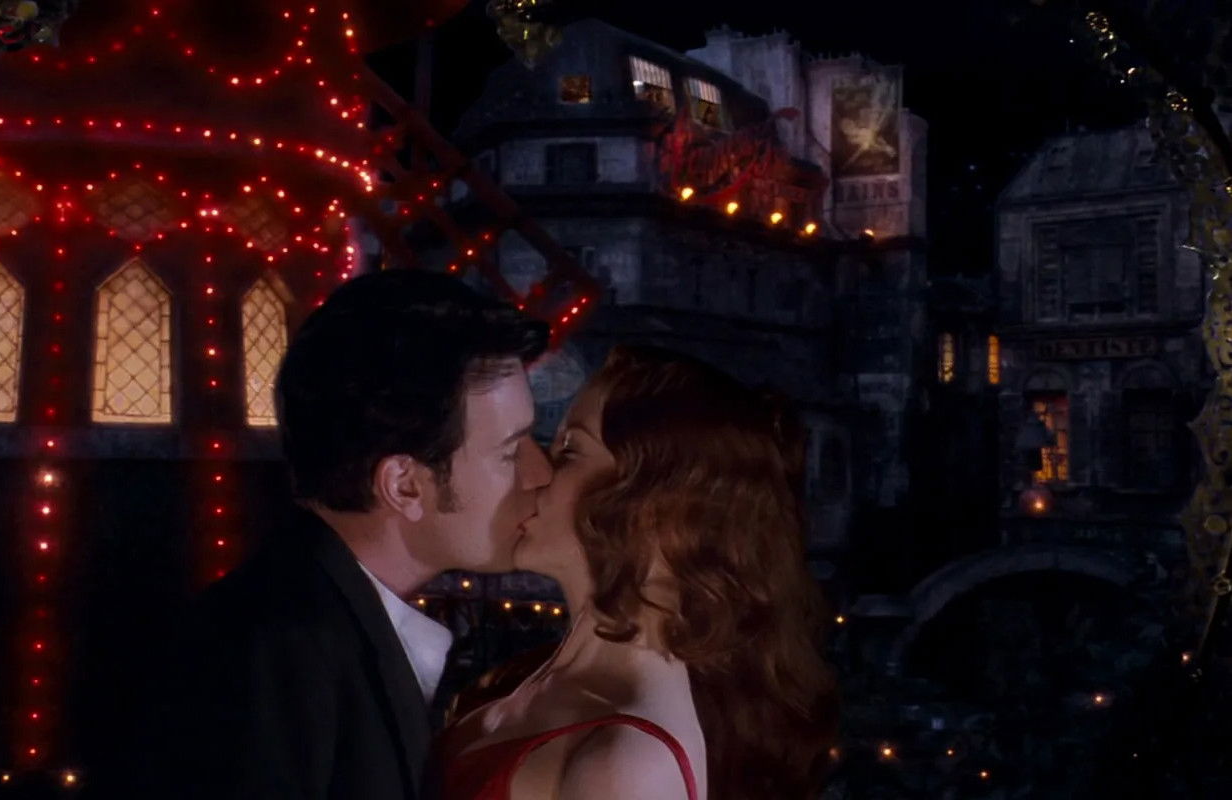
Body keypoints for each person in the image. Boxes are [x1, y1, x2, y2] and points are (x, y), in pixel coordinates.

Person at [149, 269, 553, 799]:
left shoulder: (314, 628)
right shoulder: (279, 655)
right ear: (404, 485)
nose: (540, 473)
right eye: (510, 451)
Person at [436, 344, 841, 800]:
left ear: (659, 506)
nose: (535, 473)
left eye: (569, 452)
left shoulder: (631, 764)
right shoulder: (545, 685)